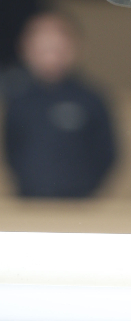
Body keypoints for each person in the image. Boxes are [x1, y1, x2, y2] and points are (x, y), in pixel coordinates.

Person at [2, 13, 117, 197]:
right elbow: (12, 149)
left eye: (57, 45)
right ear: (25, 48)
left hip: (80, 203)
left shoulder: (90, 97)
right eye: (43, 45)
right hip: (29, 200)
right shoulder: (17, 98)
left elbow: (107, 153)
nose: (50, 52)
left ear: (75, 47)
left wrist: (87, 188)